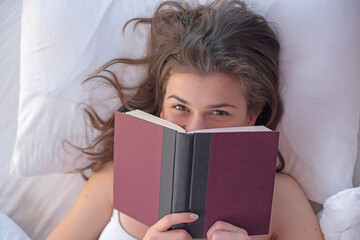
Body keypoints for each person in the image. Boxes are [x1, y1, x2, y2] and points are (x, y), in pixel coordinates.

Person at [47, 0, 324, 239]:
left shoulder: (281, 199)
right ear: (161, 107)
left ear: (251, 117)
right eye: (180, 107)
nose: (195, 128)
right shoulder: (116, 178)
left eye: (219, 112)